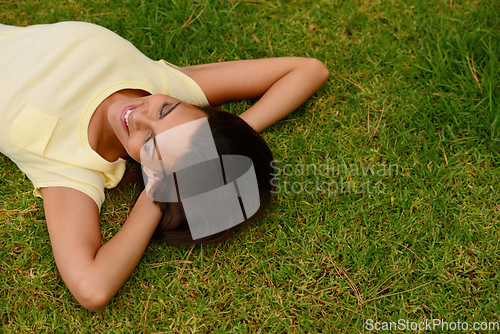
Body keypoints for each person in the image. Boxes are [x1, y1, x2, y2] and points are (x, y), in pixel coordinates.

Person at [0, 21, 329, 310]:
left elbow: (92, 288)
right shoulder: (170, 86)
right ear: (188, 105)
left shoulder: (72, 164)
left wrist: (158, 193)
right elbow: (309, 70)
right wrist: (215, 143)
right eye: (166, 111)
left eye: (149, 145)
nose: (138, 116)